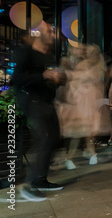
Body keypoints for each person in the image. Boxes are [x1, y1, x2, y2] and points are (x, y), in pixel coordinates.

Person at [13, 22, 66, 201]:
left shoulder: (48, 55)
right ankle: (29, 184)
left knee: (56, 138)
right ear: (38, 34)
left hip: (45, 100)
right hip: (29, 98)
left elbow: (51, 78)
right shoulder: (26, 52)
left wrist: (59, 79)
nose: (53, 34)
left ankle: (40, 180)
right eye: (49, 31)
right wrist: (44, 76)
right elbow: (17, 79)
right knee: (46, 138)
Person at [57, 44, 111, 169]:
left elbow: (101, 81)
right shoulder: (84, 66)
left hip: (89, 102)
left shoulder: (96, 66)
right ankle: (73, 157)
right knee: (80, 132)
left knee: (88, 131)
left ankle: (90, 153)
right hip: (80, 102)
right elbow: (73, 79)